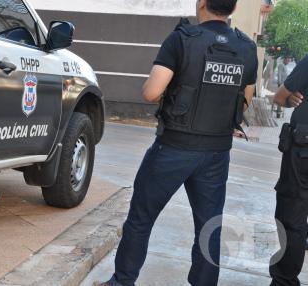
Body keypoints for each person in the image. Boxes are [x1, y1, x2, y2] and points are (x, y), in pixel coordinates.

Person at [95, 0, 258, 285]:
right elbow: (244, 101)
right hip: (217, 152)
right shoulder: (246, 48)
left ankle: (121, 282)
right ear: (231, 8)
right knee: (209, 227)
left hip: (174, 148)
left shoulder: (182, 39)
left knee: (141, 219)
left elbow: (151, 92)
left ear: (202, 3)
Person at [270, 55, 308, 286]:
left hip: (303, 153)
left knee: (292, 218)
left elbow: (280, 96)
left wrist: (291, 100)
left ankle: (284, 281)